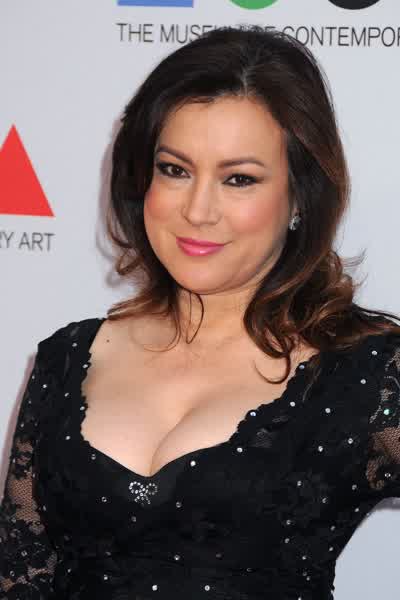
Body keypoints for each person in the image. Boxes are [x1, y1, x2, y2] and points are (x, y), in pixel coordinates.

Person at [1, 24, 400, 600]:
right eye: (175, 169)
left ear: (299, 197)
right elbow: (20, 578)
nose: (198, 210)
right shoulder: (66, 358)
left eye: (239, 179)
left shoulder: (366, 373)